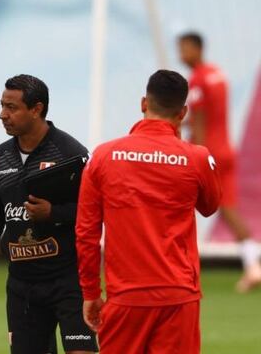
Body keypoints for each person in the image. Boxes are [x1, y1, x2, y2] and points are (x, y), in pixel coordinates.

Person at [76, 70, 222, 353]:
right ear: (183, 112)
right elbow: (210, 206)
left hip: (124, 298)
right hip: (178, 297)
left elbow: (86, 233)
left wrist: (91, 292)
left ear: (144, 103)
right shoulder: (197, 157)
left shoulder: (104, 156)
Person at [0, 74, 98, 354]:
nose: (2, 115)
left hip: (68, 281)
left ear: (36, 109)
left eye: (11, 107)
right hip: (22, 286)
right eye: (2, 105)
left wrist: (53, 213)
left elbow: (94, 213)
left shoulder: (71, 154)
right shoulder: (1, 157)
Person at [178, 32, 261, 292]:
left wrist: (196, 152)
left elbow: (200, 120)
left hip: (209, 153)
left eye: (183, 49)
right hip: (225, 149)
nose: (181, 54)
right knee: (229, 207)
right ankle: (253, 266)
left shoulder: (198, 80)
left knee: (177, 204)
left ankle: (176, 269)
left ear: (195, 48)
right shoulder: (218, 74)